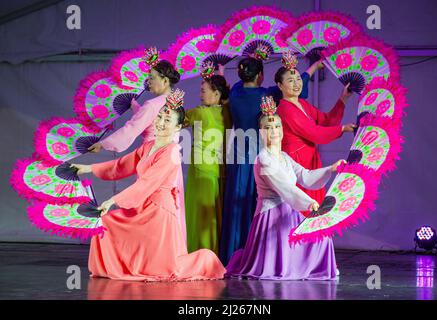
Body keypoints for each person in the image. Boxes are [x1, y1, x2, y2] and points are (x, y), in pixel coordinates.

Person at [72, 89, 226, 282]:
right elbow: (121, 165)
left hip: (158, 212)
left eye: (167, 120)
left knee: (164, 270)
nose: (161, 122)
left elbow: (147, 183)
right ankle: (110, 267)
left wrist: (112, 200)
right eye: (160, 117)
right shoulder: (149, 145)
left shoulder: (171, 152)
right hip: (143, 206)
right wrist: (87, 168)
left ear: (178, 128)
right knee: (104, 223)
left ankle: (206, 260)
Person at [219, 45, 322, 265]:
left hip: (237, 154)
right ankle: (256, 252)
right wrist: (312, 67)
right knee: (257, 201)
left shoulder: (236, 93)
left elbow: (234, 84)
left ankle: (231, 254)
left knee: (237, 203)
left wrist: (248, 63)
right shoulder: (267, 94)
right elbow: (294, 90)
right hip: (258, 151)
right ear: (261, 76)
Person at [225, 96, 344, 280]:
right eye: (268, 128)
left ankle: (314, 267)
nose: (273, 131)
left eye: (277, 127)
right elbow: (285, 188)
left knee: (323, 237)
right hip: (272, 217)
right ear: (261, 132)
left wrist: (331, 169)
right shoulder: (264, 159)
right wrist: (309, 202)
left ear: (282, 130)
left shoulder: (284, 157)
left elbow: (305, 176)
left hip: (289, 212)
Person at [87, 47, 188, 240]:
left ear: (164, 80)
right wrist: (136, 108)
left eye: (152, 77)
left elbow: (131, 129)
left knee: (148, 204)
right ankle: (170, 249)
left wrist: (104, 144)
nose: (148, 81)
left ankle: (149, 251)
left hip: (152, 158)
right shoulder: (173, 104)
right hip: (171, 160)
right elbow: (148, 121)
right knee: (169, 207)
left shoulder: (152, 105)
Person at [276, 51, 356, 216]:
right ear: (280, 86)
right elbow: (315, 134)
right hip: (296, 165)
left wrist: (343, 99)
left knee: (312, 207)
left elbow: (326, 121)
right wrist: (342, 129)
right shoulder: (284, 109)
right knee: (301, 210)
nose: (297, 83)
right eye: (290, 80)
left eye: (298, 79)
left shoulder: (302, 104)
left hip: (310, 161)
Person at [183, 63, 231, 254]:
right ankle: (213, 253)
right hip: (220, 169)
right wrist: (221, 75)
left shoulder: (200, 112)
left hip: (201, 168)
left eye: (204, 91)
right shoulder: (227, 112)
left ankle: (199, 253)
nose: (201, 95)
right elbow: (224, 96)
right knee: (213, 213)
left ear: (216, 93)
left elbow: (175, 120)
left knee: (199, 213)